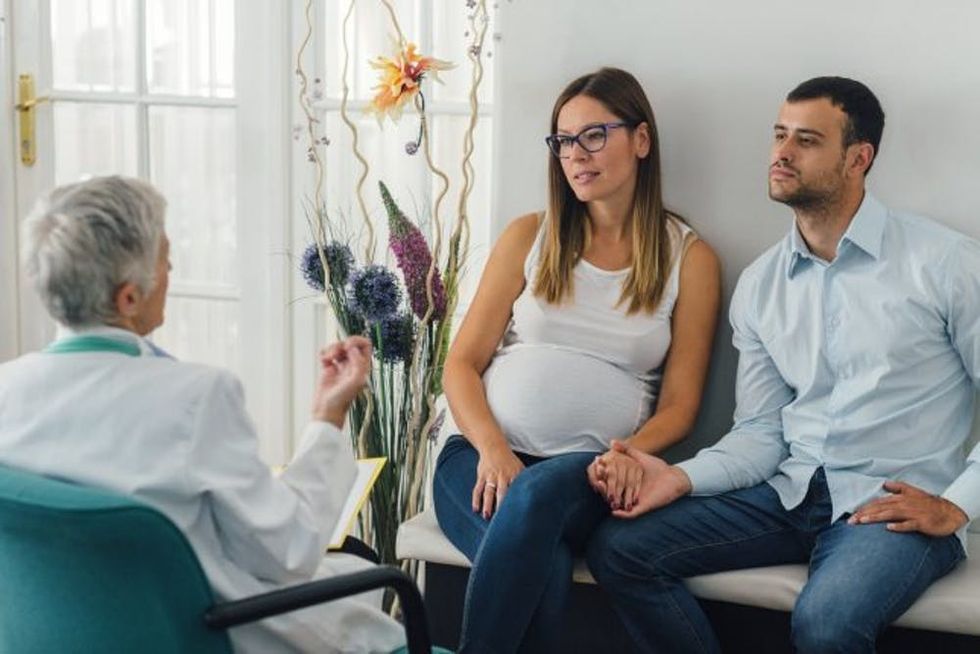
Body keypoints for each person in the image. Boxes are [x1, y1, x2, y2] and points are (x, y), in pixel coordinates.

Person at [586, 76, 980, 653]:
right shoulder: (762, 284)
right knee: (619, 550)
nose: (781, 153)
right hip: (790, 492)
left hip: (893, 506)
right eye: (778, 135)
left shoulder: (945, 264)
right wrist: (679, 477)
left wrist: (956, 506)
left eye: (807, 140)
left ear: (858, 159)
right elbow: (762, 432)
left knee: (826, 623)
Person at [0, 176, 406, 654]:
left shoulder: (8, 390)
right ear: (128, 298)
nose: (170, 266)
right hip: (201, 632)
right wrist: (328, 417)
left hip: (60, 635)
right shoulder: (195, 396)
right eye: (163, 256)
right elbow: (289, 552)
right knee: (373, 588)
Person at [432, 67, 721, 653]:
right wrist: (492, 448)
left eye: (594, 135)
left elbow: (682, 406)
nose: (575, 155)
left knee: (536, 500)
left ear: (641, 141)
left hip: (586, 474)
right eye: (563, 141)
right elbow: (460, 364)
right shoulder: (528, 236)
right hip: (476, 459)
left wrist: (630, 455)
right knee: (546, 562)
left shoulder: (689, 258)